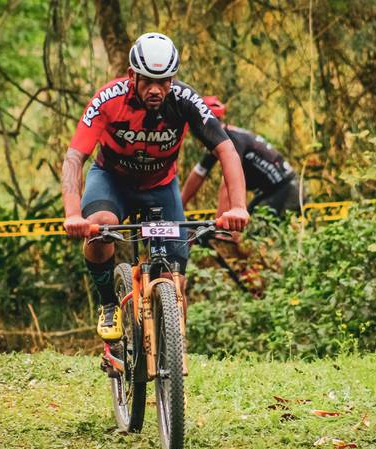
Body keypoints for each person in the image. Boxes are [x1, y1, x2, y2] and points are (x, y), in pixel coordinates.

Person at [62, 32, 249, 346]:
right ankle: (109, 304)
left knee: (176, 281)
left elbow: (226, 150)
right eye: (148, 80)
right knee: (101, 227)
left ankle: (170, 359)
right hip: (111, 180)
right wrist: (72, 213)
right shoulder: (108, 99)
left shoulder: (185, 100)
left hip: (160, 187)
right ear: (132, 75)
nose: (155, 89)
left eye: (164, 81)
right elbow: (74, 157)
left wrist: (238, 206)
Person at [181, 96, 307, 216]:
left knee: (251, 227)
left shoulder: (231, 140)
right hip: (270, 191)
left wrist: (220, 222)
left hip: (286, 189)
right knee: (245, 222)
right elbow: (199, 173)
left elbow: (228, 185)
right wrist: (179, 207)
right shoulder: (217, 138)